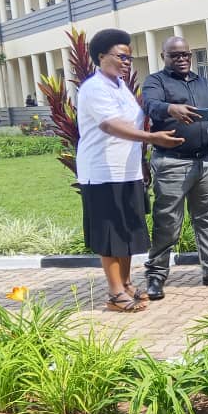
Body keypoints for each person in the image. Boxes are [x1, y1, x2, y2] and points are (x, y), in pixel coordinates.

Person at [77, 29, 184, 312]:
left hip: (128, 171)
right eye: (121, 56)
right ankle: (114, 293)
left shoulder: (120, 87)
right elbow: (111, 125)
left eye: (129, 57)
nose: (127, 62)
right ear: (101, 57)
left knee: (127, 231)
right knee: (110, 233)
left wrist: (143, 159)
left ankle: (125, 283)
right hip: (102, 172)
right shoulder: (94, 88)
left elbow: (134, 124)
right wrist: (152, 139)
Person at [143, 36, 208, 301]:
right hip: (172, 161)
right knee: (168, 221)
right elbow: (151, 106)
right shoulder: (157, 82)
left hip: (205, 160)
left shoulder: (203, 82)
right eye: (175, 55)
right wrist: (171, 108)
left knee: (206, 218)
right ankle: (156, 275)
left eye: (186, 54)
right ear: (164, 57)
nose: (182, 59)